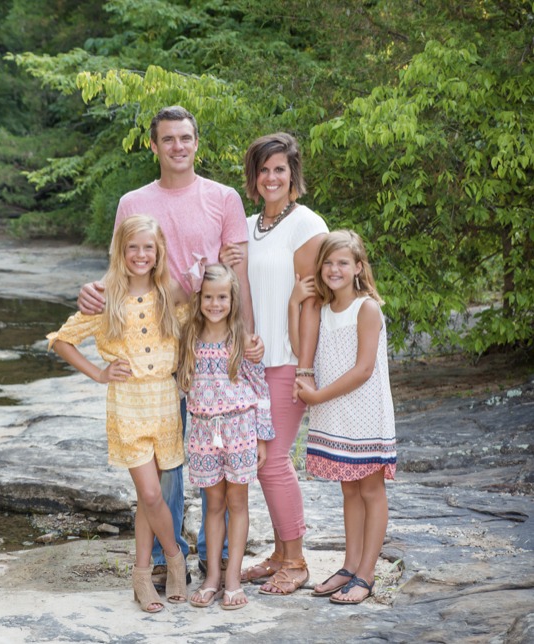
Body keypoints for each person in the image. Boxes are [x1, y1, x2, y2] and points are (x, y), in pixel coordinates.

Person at [79, 106, 259, 587]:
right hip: (152, 351)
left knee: (217, 448)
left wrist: (246, 337)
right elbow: (120, 270)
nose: (178, 146)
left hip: (210, 346)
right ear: (154, 146)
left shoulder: (222, 199)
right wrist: (91, 293)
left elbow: (236, 276)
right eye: (168, 139)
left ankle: (216, 556)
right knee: (166, 461)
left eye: (185, 138)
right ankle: (165, 553)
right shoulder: (133, 202)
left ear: (197, 142)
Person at [48, 215, 189, 612]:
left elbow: (199, 325)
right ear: (121, 251)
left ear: (158, 252)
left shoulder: (170, 293)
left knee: (150, 498)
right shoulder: (107, 296)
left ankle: (141, 576)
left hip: (165, 402)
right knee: (150, 492)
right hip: (128, 404)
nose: (141, 255)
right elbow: (62, 340)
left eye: (148, 247)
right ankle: (175, 558)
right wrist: (99, 373)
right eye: (133, 248)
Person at [221, 132, 328, 596]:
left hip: (287, 361)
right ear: (253, 176)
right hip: (251, 364)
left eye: (279, 169)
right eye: (263, 169)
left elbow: (313, 302)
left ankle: (297, 560)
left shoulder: (307, 225)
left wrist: (304, 366)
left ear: (293, 174)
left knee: (272, 459)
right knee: (259, 459)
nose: (271, 177)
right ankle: (281, 554)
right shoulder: (246, 226)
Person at [291, 230, 397, 605]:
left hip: (365, 412)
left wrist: (316, 396)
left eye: (343, 262)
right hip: (336, 413)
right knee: (349, 489)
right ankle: (350, 567)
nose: (334, 269)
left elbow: (364, 369)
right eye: (328, 263)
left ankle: (367, 573)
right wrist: (294, 303)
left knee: (370, 490)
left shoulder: (366, 309)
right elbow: (299, 349)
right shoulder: (322, 309)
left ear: (358, 268)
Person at [178, 264, 274, 610]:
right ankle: (213, 578)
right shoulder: (189, 336)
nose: (215, 304)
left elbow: (261, 389)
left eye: (222, 297)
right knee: (213, 505)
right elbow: (181, 383)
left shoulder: (243, 341)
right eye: (208, 297)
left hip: (240, 430)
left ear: (233, 300)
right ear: (199, 299)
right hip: (203, 431)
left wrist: (262, 438)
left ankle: (233, 578)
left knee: (237, 504)